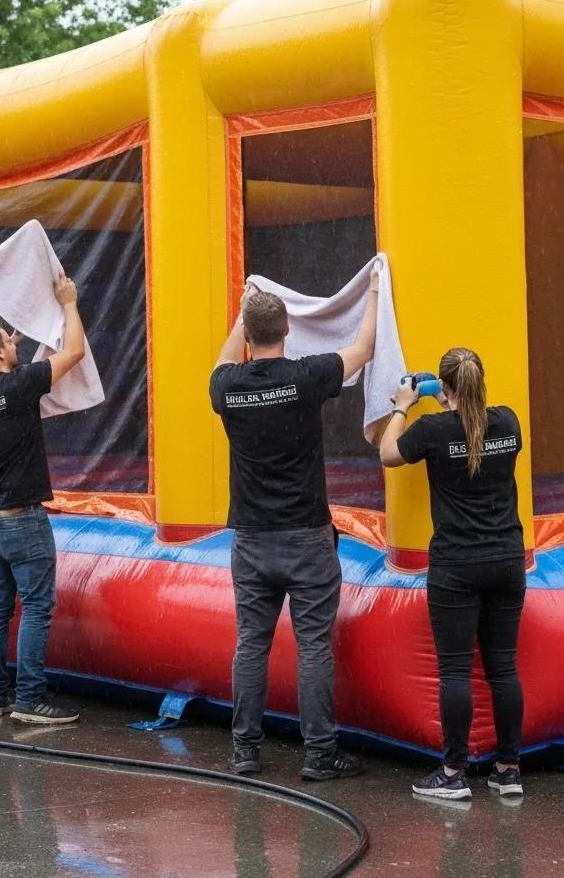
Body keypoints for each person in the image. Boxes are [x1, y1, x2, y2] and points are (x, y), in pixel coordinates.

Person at [210, 269, 379, 779]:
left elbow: (222, 358)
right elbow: (365, 348)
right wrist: (374, 289)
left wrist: (242, 312)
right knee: (312, 648)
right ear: (288, 331)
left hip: (252, 540)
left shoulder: (227, 386)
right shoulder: (306, 377)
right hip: (306, 535)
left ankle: (245, 751)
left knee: (251, 644)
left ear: (248, 333)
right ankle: (320, 754)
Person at [380, 348, 525, 800]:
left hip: (457, 564)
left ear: (443, 388)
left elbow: (388, 453)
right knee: (503, 669)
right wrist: (450, 402)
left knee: (455, 670)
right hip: (507, 558)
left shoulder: (432, 430)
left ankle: (453, 773)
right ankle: (508, 769)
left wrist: (404, 404)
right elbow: (475, 431)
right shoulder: (509, 423)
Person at [0, 274, 86, 724]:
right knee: (36, 606)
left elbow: (6, 374)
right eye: (7, 342)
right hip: (21, 519)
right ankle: (31, 700)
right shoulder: (18, 387)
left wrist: (7, 347)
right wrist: (68, 303)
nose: (14, 344)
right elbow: (73, 352)